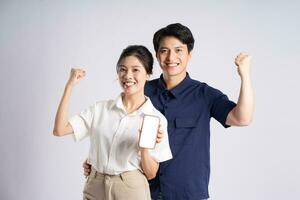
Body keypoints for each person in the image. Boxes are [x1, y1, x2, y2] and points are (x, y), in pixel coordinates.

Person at [83, 23, 254, 200]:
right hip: (141, 191)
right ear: (156, 55)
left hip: (187, 194)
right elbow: (115, 127)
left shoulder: (204, 95)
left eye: (179, 50)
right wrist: (97, 160)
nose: (171, 57)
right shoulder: (141, 90)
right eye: (164, 50)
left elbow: (242, 118)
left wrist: (245, 75)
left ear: (189, 54)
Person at [53, 45, 173, 200]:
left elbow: (151, 174)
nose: (128, 75)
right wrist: (70, 85)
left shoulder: (156, 119)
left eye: (135, 70)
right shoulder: (100, 109)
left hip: (130, 189)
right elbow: (59, 130)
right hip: (94, 186)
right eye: (123, 69)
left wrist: (144, 149)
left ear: (148, 74)